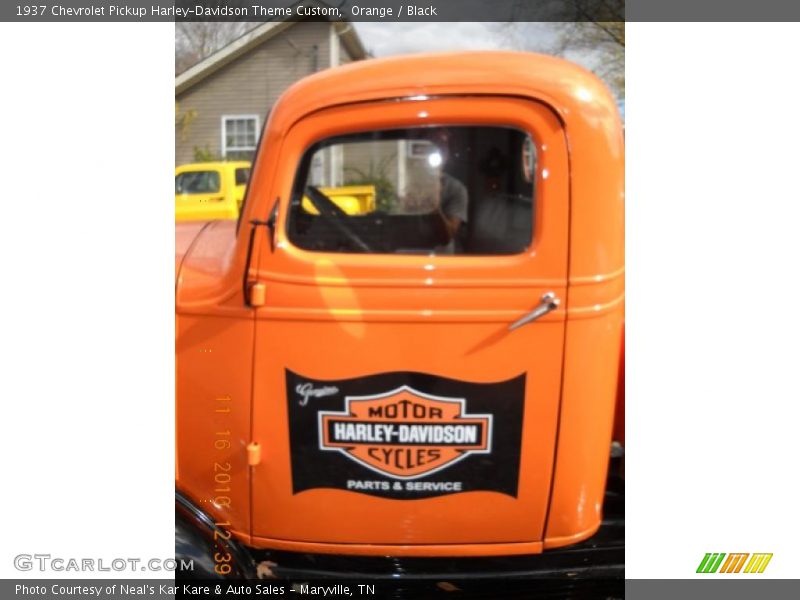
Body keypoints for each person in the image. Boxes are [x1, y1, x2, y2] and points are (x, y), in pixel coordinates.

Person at [428, 129, 468, 253]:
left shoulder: (456, 188)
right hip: (402, 257)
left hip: (440, 260)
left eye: (442, 146)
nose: (436, 151)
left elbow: (447, 237)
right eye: (431, 145)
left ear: (447, 154)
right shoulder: (401, 181)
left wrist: (434, 207)